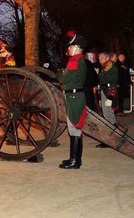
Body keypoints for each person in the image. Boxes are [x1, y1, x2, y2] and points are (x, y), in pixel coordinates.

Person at [58, 31, 88, 169]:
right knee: (74, 129)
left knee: (74, 129)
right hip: (75, 96)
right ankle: (75, 159)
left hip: (73, 97)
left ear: (76, 48)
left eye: (70, 47)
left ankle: (75, 161)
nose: (68, 49)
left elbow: (65, 79)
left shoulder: (74, 61)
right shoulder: (79, 60)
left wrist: (59, 77)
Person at [98, 51, 119, 127]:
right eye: (99, 59)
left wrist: (101, 76)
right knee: (105, 108)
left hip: (110, 90)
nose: (100, 60)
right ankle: (110, 124)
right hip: (104, 89)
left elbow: (113, 79)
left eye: (102, 58)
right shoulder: (104, 67)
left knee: (108, 108)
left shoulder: (111, 66)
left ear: (107, 58)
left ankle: (111, 124)